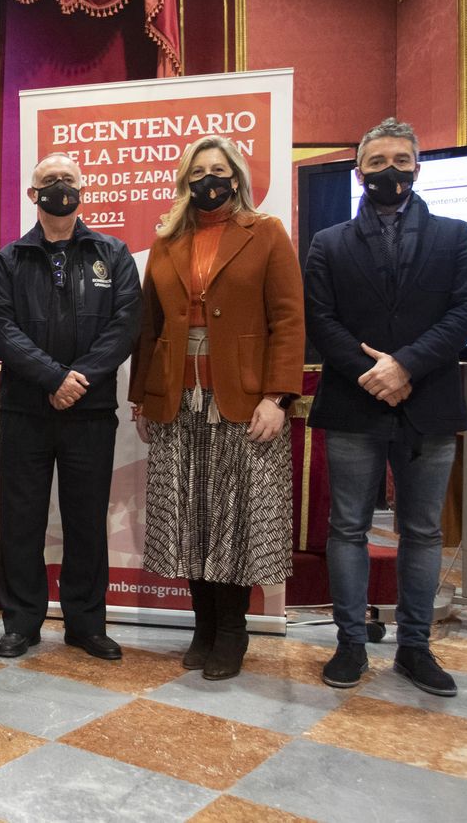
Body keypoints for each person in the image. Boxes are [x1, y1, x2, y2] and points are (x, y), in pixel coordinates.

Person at [304, 116, 467, 697]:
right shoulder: (327, 242)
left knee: (423, 532)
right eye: (376, 163)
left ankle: (415, 648)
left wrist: (404, 366)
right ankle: (351, 644)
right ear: (359, 173)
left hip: (428, 400)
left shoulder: (455, 234)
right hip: (354, 405)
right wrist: (373, 375)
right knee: (348, 528)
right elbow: (321, 321)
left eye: (400, 161)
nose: (389, 172)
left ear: (417, 167)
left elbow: (465, 314)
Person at [129, 137, 305, 680]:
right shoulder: (165, 241)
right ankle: (203, 626)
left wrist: (277, 397)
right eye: (199, 171)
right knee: (190, 520)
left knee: (236, 520)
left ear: (236, 177)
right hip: (179, 400)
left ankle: (233, 632)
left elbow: (289, 320)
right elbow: (148, 327)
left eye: (219, 170)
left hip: (245, 400)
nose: (210, 179)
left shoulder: (267, 232)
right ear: (186, 181)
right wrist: (143, 396)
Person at [0, 154, 140, 661]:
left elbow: (125, 324)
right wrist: (53, 377)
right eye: (48, 182)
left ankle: (85, 623)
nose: (59, 188)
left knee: (85, 520)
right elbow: (2, 328)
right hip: (26, 411)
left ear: (83, 188)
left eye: (67, 180)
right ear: (33, 196)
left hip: (91, 411)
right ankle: (23, 621)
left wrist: (80, 379)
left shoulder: (112, 253)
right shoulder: (9, 259)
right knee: (22, 520)